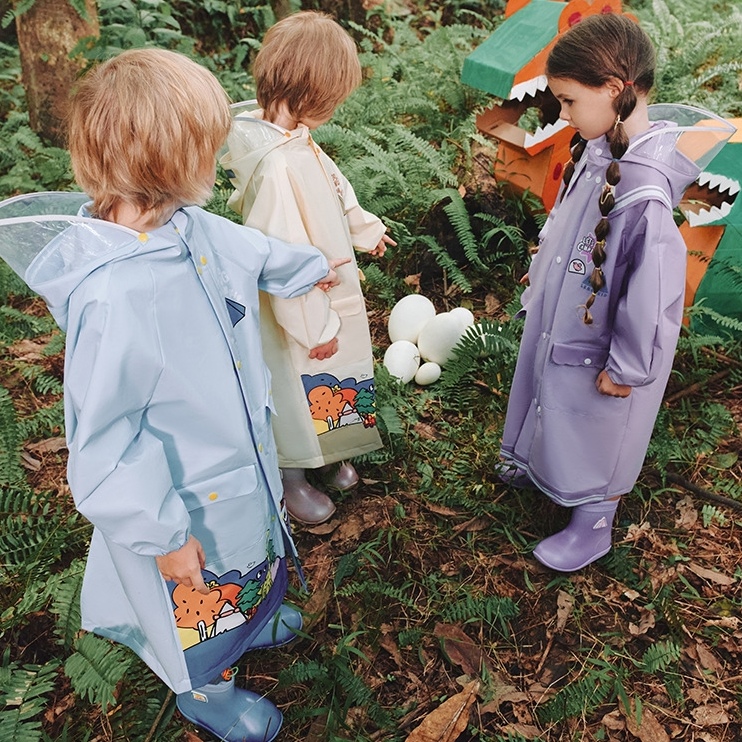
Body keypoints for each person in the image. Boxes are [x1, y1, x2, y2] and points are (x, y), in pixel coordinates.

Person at [0, 48, 347, 742]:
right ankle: (207, 691)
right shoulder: (115, 296)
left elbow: (253, 251)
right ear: (170, 161)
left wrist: (311, 269)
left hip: (236, 458)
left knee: (250, 556)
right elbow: (104, 438)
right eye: (208, 150)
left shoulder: (187, 225)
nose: (217, 164)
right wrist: (161, 533)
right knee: (199, 594)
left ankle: (248, 621)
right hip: (183, 502)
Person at [499, 13, 735, 572]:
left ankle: (594, 520)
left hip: (604, 344)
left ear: (612, 89)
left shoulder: (645, 191)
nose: (562, 113)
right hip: (567, 316)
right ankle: (537, 460)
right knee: (551, 392)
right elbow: (572, 222)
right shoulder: (600, 148)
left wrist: (628, 367)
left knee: (596, 423)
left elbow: (651, 294)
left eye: (568, 100)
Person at [221, 11, 395, 526]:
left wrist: (365, 229)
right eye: (333, 99)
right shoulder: (274, 164)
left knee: (331, 373)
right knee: (296, 382)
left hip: (327, 287)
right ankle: (292, 474)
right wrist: (311, 324)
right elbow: (281, 257)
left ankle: (332, 450)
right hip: (300, 306)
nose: (337, 108)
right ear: (310, 93)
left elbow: (336, 187)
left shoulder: (297, 140)